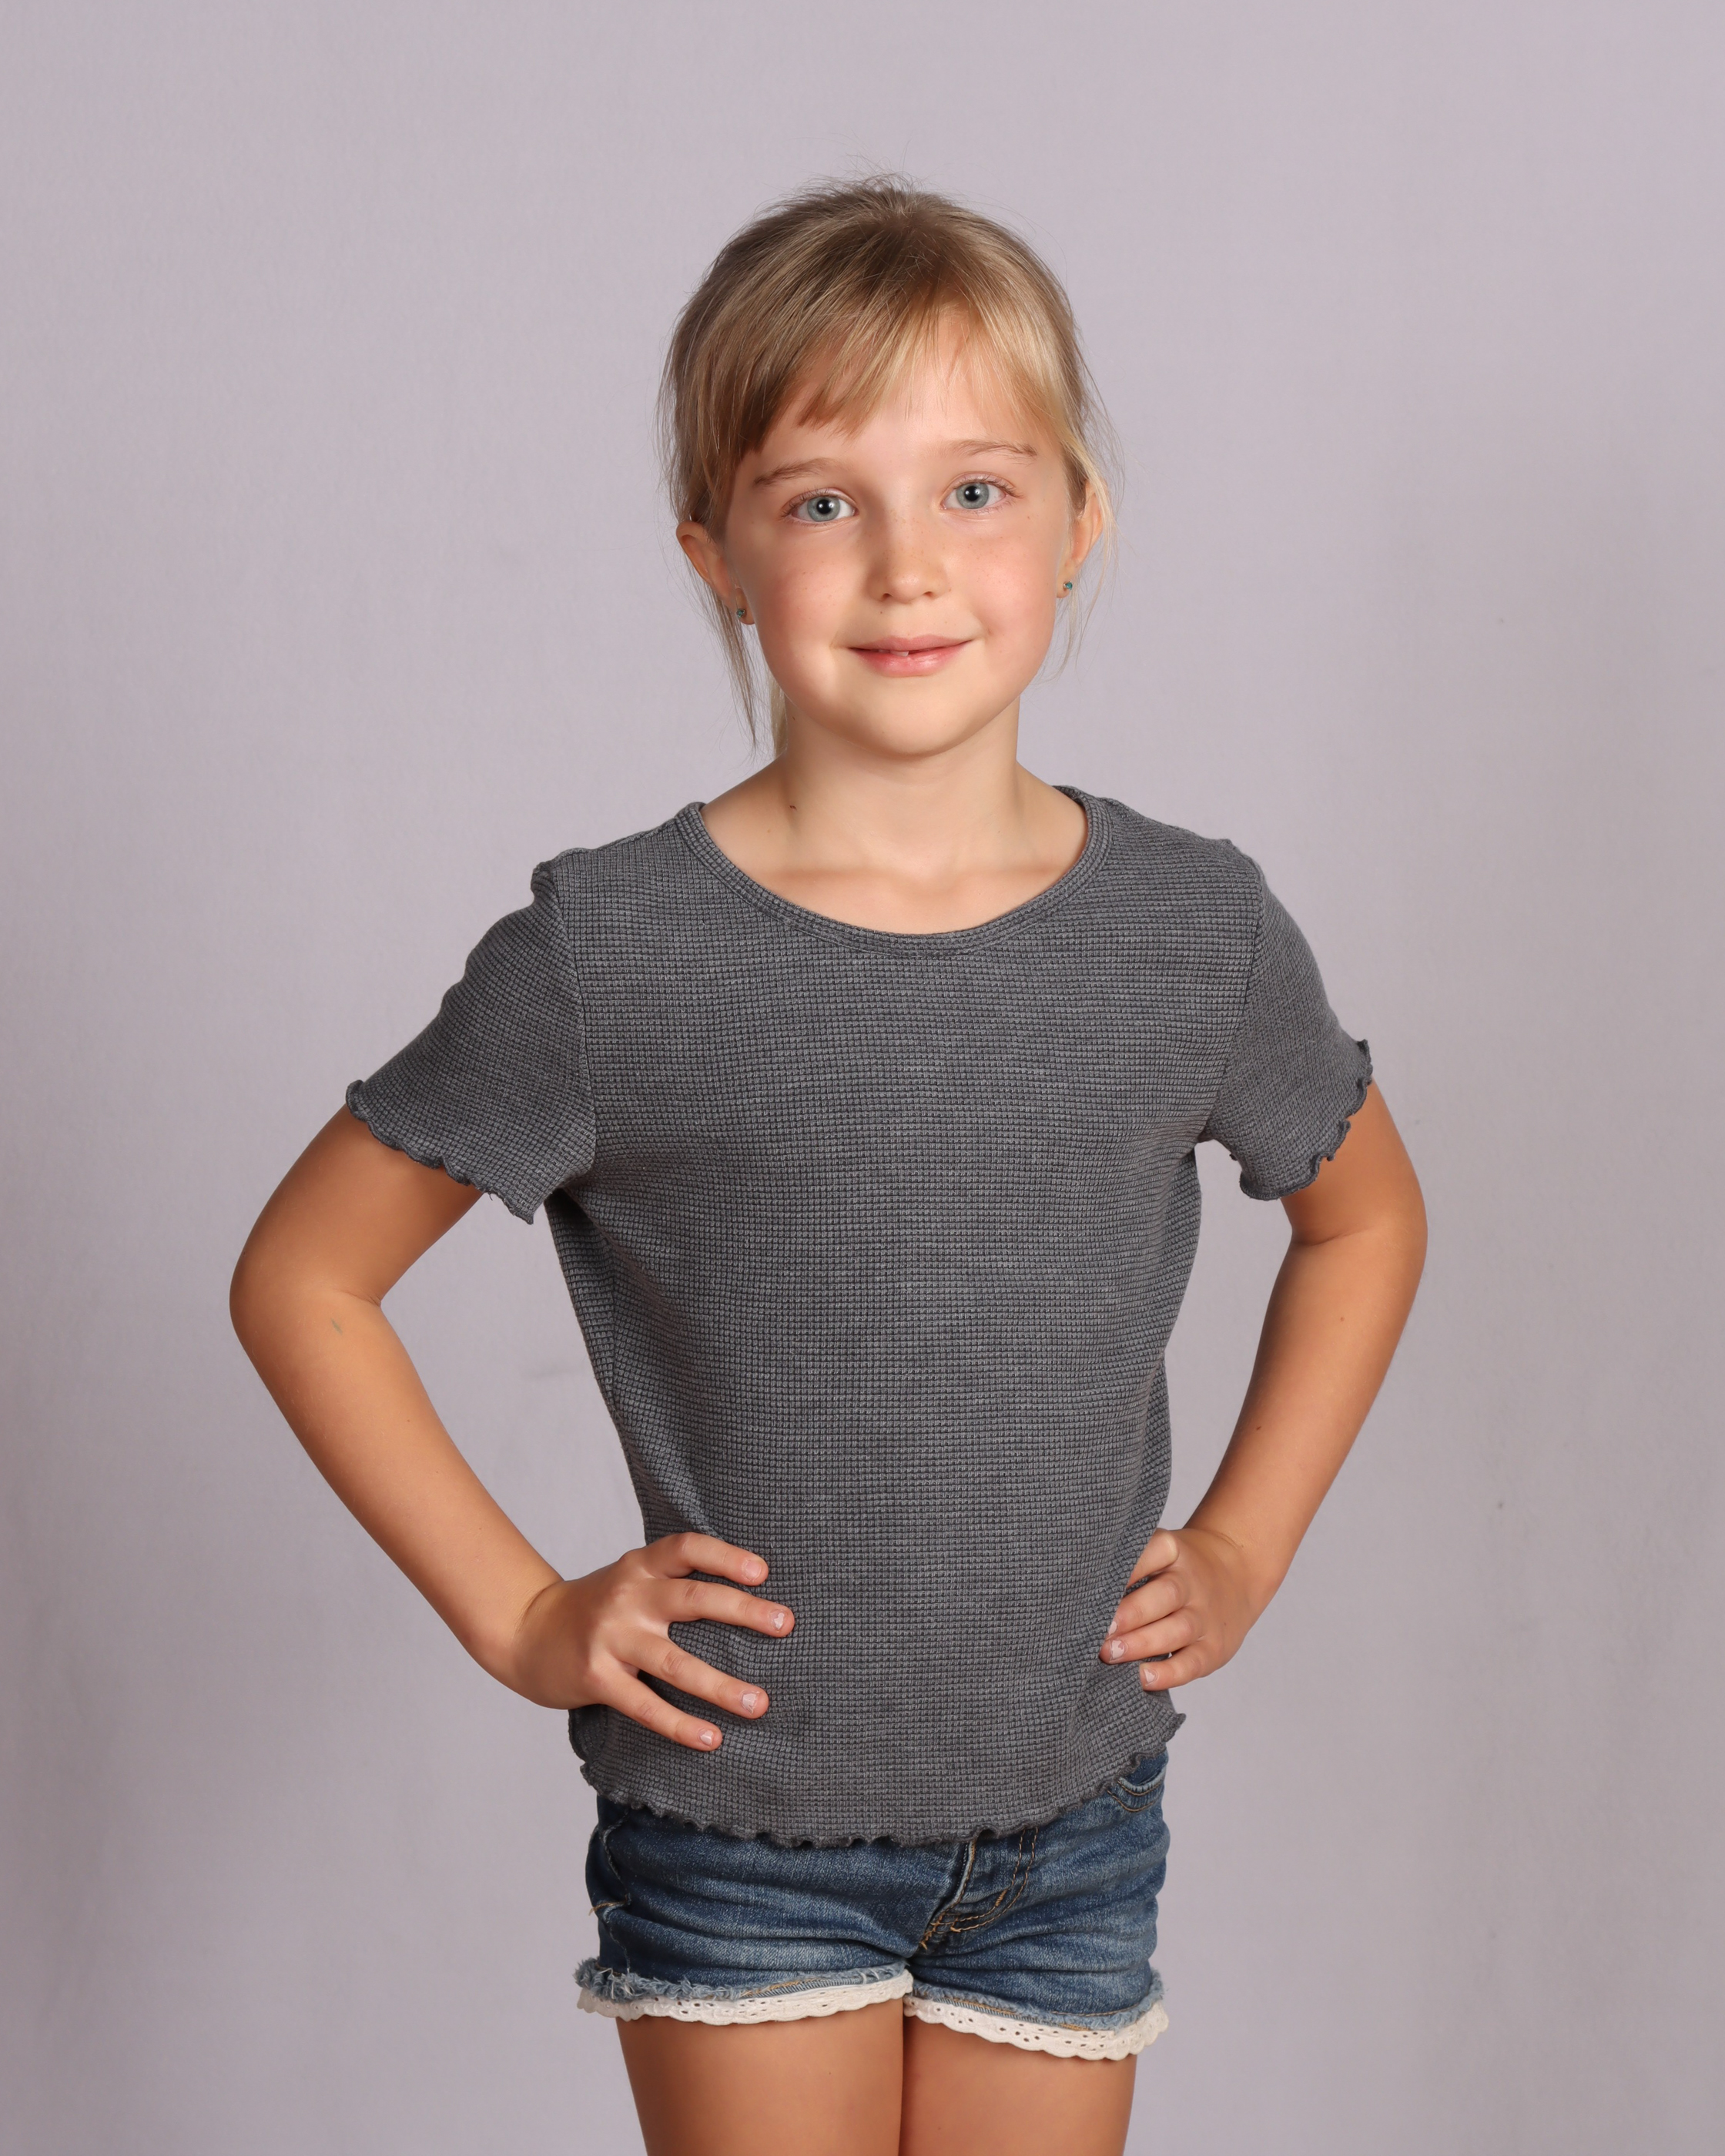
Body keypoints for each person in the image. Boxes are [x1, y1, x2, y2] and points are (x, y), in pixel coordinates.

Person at [231, 176, 1427, 2156]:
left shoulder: (1194, 933)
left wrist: (1244, 1540)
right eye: (819, 501)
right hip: (742, 1838)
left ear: (1077, 517)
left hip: (1073, 1819)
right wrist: (522, 1613)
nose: (906, 566)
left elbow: (1364, 1215)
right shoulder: (609, 955)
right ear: (713, 551)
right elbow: (304, 1275)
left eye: (974, 488)